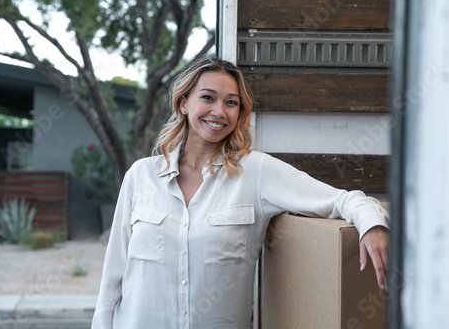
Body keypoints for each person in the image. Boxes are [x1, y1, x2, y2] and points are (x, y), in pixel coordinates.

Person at [91, 57, 389, 329]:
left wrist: (372, 224)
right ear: (183, 103)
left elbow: (339, 200)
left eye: (231, 103)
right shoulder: (141, 176)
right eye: (208, 98)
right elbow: (111, 282)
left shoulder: (256, 173)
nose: (219, 112)